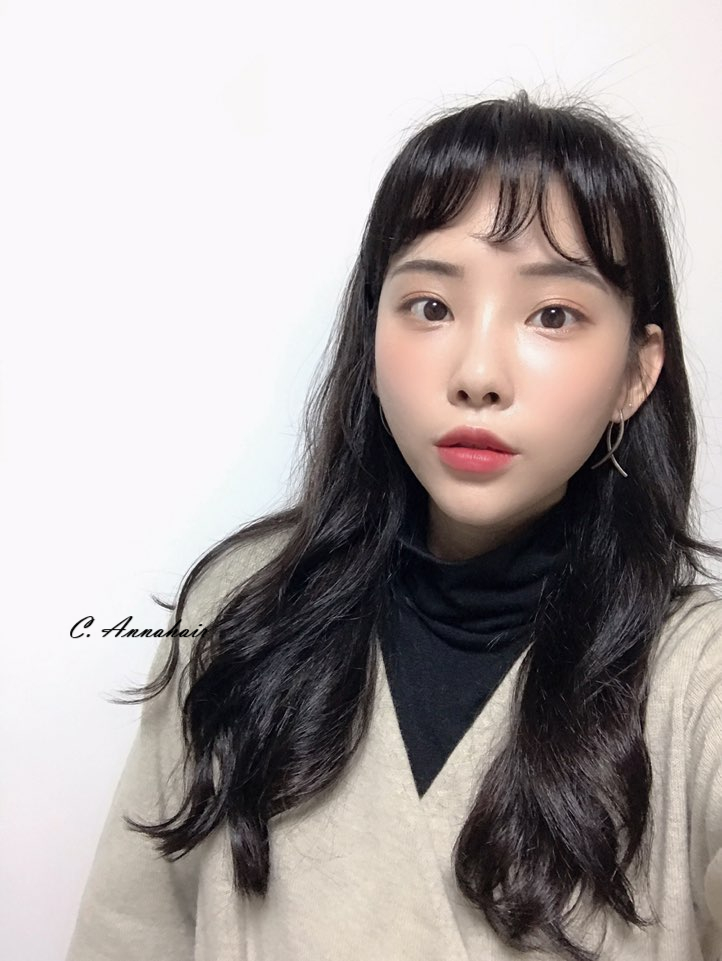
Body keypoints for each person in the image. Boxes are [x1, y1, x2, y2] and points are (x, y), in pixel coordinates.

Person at [65, 88, 722, 961]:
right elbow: (129, 934)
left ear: (636, 374)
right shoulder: (236, 615)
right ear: (373, 333)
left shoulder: (694, 678)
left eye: (553, 315)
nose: (478, 374)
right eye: (432, 306)